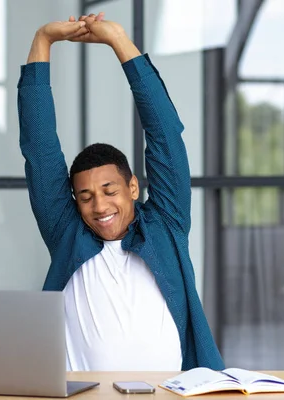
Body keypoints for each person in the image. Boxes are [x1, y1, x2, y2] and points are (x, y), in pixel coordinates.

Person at [17, 12, 224, 372]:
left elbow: (164, 135)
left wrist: (118, 41)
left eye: (109, 190)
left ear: (132, 187)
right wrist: (43, 40)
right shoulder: (67, 233)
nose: (99, 206)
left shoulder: (166, 225)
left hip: (171, 394)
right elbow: (40, 147)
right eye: (85, 197)